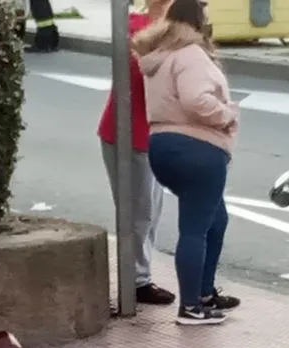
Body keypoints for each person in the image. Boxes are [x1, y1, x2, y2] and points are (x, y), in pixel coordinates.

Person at [133, 0, 240, 325]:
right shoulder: (190, 53)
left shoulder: (160, 54)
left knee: (215, 219)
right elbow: (196, 99)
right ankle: (192, 306)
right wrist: (227, 115)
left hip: (163, 145)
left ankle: (205, 293)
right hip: (197, 147)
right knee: (195, 228)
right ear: (197, 20)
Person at [97, 0, 175, 306]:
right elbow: (140, 74)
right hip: (126, 133)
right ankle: (137, 282)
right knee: (138, 213)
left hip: (153, 134)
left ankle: (141, 276)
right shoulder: (131, 26)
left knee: (151, 212)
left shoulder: (175, 29)